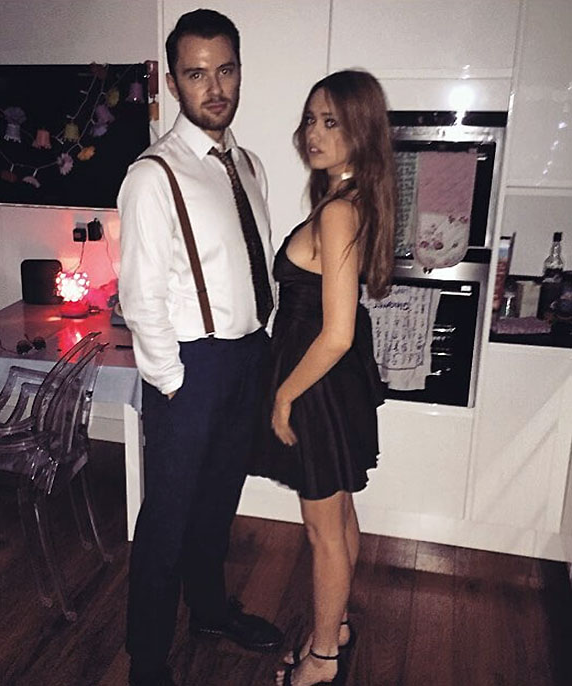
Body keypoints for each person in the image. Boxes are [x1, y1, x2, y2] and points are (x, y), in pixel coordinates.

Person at [118, 9, 282, 686]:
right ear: (174, 82)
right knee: (168, 519)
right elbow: (140, 295)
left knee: (218, 501)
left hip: (247, 358)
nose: (214, 88)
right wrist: (173, 381)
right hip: (191, 368)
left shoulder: (249, 165)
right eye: (196, 74)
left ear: (239, 71)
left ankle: (210, 612)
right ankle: (147, 660)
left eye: (225, 70)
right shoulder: (153, 175)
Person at [249, 70, 395, 686]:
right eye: (311, 119)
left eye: (331, 122)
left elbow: (335, 333)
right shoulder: (348, 200)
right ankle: (334, 628)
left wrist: (284, 396)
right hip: (329, 384)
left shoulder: (338, 211)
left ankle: (323, 660)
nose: (313, 132)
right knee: (339, 516)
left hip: (316, 387)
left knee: (322, 530)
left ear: (359, 131)